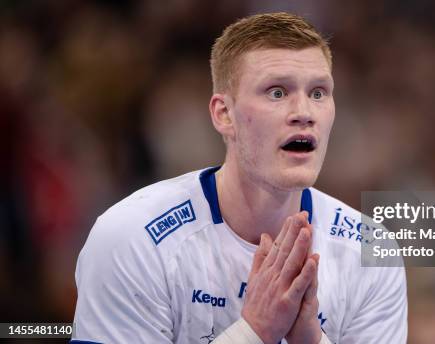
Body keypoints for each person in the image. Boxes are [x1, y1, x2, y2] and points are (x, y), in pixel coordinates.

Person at [71, 12, 407, 344]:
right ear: (224, 114)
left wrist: (312, 342)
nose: (304, 113)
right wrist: (254, 331)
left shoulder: (371, 250)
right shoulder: (132, 239)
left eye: (318, 93)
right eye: (277, 92)